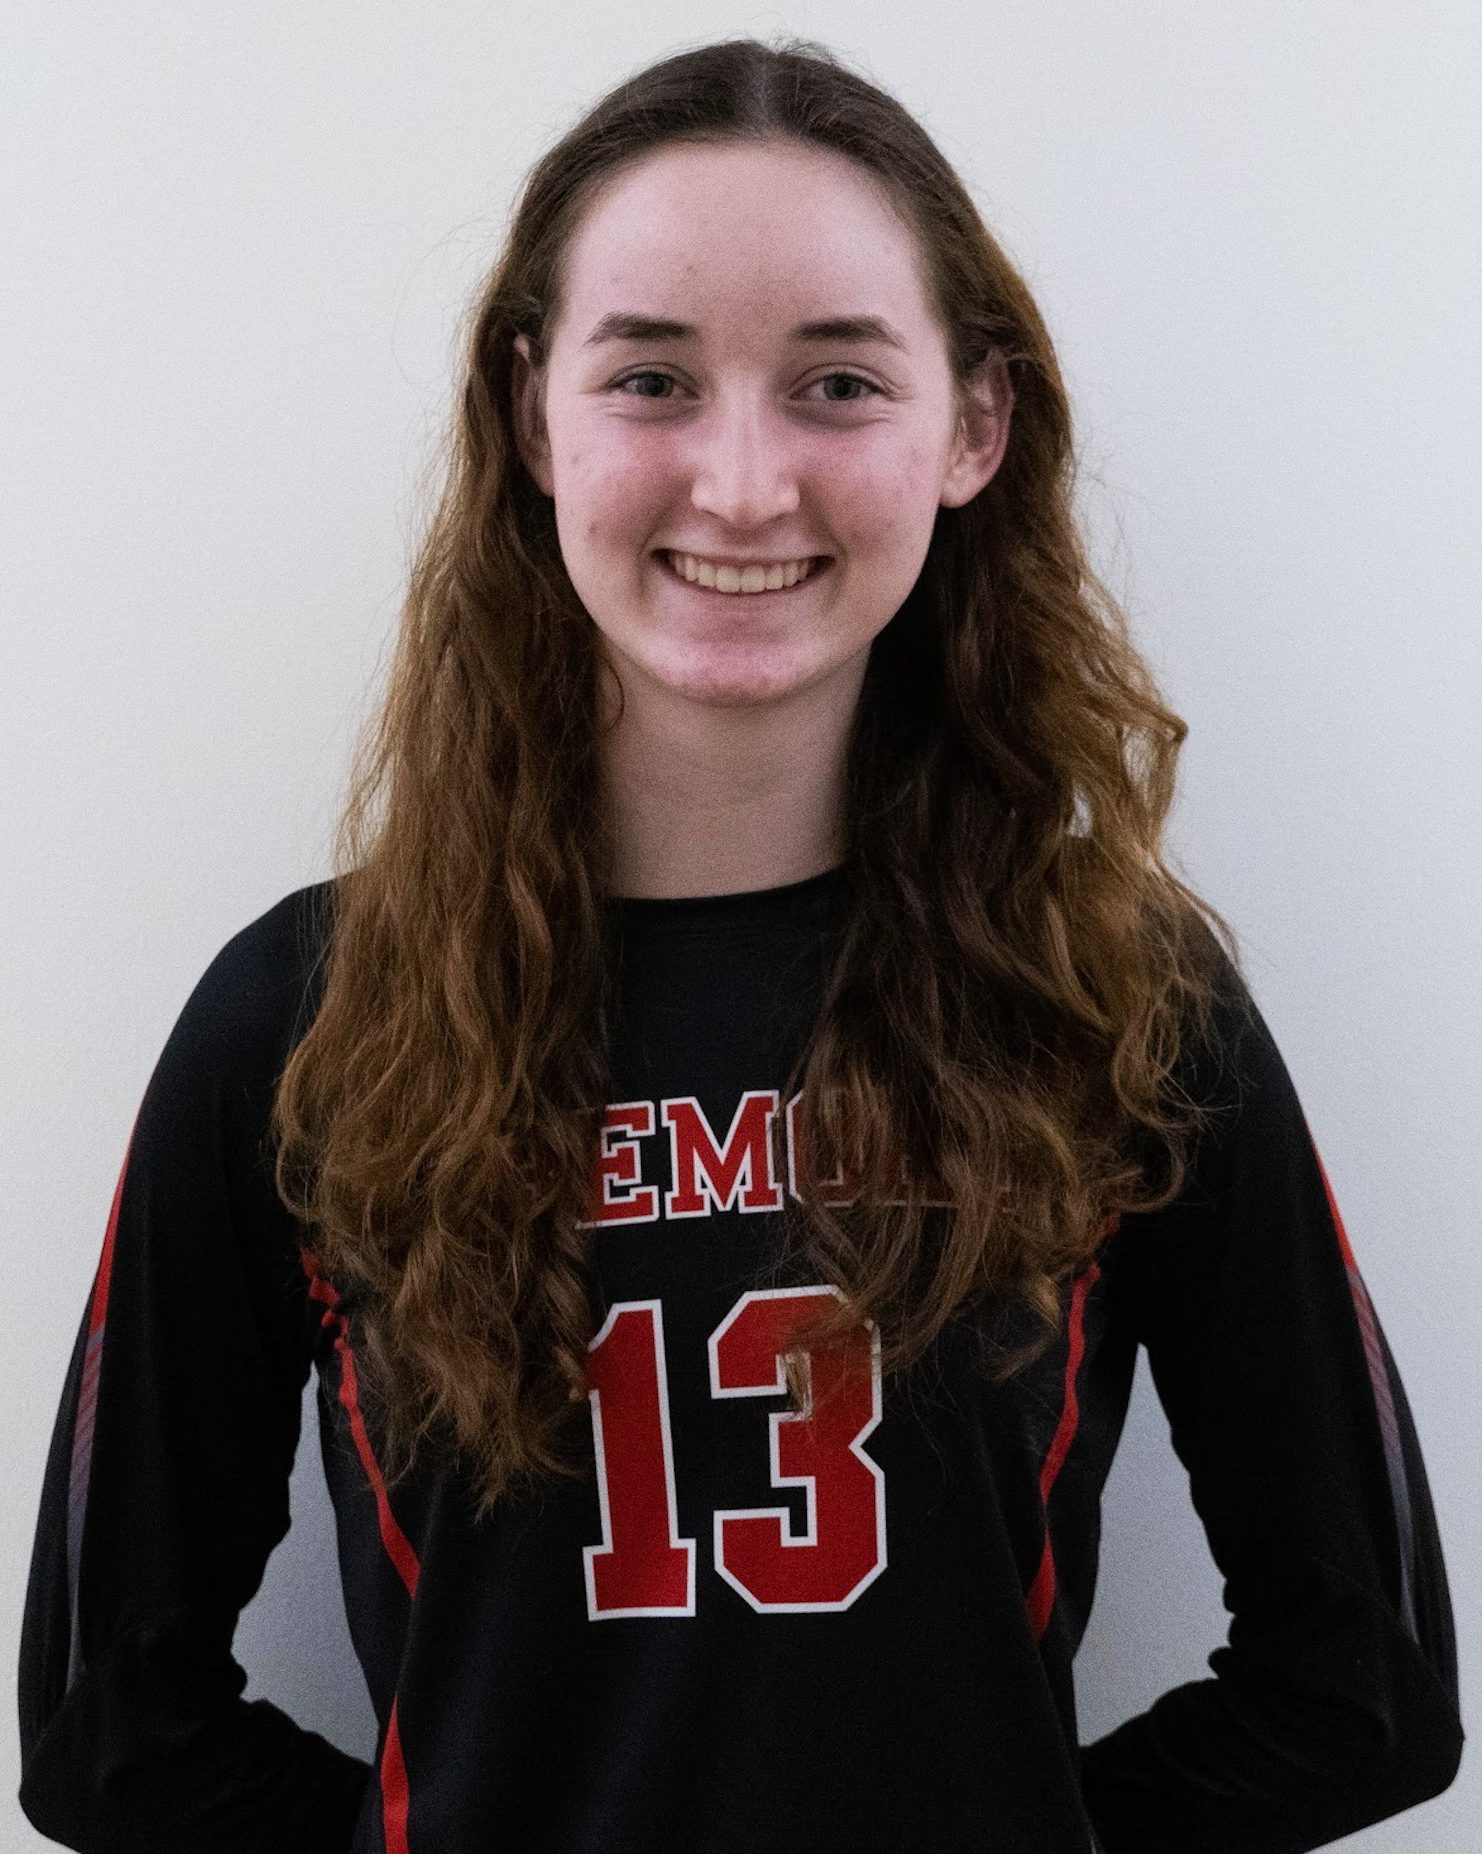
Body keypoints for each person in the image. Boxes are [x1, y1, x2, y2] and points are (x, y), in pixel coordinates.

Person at [17, 33, 1463, 1854]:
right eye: (652, 380)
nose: (743, 482)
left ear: (973, 428)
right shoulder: (309, 1025)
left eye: (837, 382)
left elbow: (1363, 1687)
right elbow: (107, 1727)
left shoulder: (1113, 997)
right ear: (532, 414)